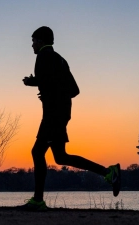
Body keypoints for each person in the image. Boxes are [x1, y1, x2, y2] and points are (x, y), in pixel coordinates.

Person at [19, 26, 121, 211]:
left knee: (37, 152)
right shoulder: (61, 60)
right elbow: (74, 90)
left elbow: (48, 83)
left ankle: (38, 201)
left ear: (41, 41)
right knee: (60, 157)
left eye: (33, 41)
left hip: (53, 115)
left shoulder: (42, 56)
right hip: (62, 114)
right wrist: (43, 87)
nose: (32, 45)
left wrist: (37, 86)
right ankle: (108, 172)